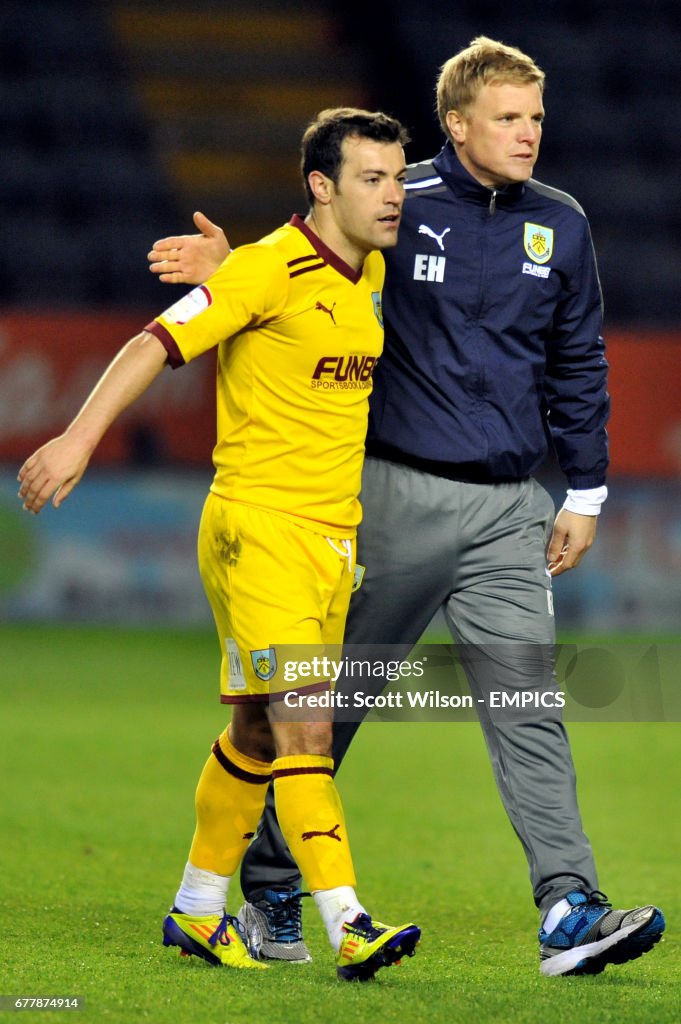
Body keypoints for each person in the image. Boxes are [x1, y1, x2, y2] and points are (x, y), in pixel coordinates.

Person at [146, 38, 666, 978]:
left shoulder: (563, 224)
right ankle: (269, 881)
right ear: (457, 125)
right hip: (388, 500)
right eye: (506, 117)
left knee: (528, 705)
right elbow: (302, 263)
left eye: (535, 117)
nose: (527, 134)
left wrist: (582, 492)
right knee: (322, 712)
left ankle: (567, 906)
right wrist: (233, 266)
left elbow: (578, 363)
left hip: (512, 507)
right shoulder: (397, 203)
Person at [17, 107, 422, 981]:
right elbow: (149, 343)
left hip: (331, 538)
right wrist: (77, 440)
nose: (393, 196)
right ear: (321, 187)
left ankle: (197, 912)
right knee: (305, 726)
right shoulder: (267, 272)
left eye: (397, 177)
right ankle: (349, 922)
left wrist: (230, 262)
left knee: (257, 731)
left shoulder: (371, 271)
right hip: (259, 528)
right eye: (373, 179)